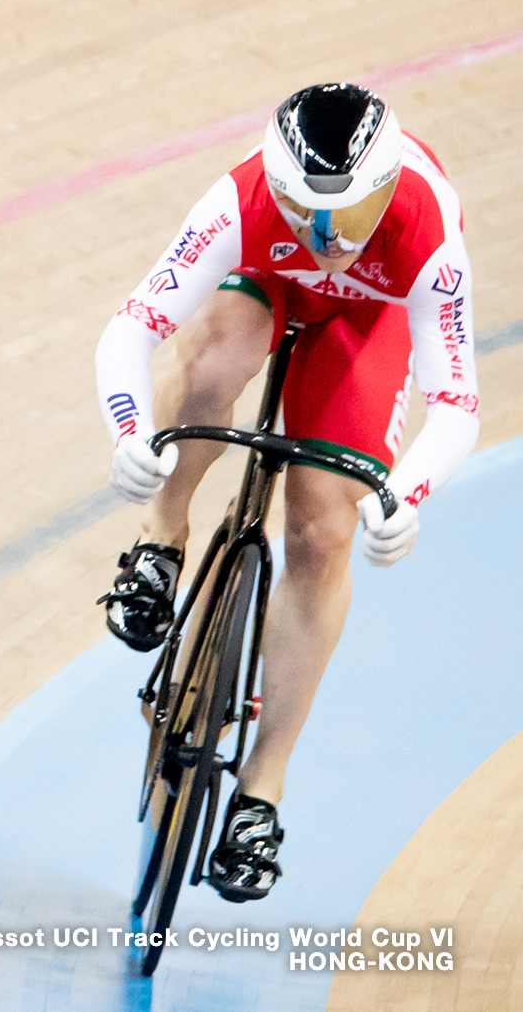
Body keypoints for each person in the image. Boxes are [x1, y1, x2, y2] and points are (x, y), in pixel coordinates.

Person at [93, 82, 479, 901]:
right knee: (214, 362)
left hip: (360, 329)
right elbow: (135, 326)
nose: (328, 239)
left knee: (320, 526)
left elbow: (455, 402)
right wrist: (133, 435)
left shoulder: (427, 230)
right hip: (266, 294)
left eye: (346, 219)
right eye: (305, 216)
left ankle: (262, 784)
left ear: (383, 192)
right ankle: (163, 537)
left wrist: (403, 496)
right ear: (275, 186)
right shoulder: (238, 201)